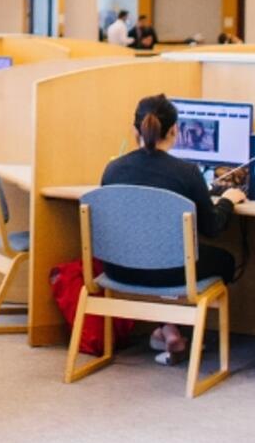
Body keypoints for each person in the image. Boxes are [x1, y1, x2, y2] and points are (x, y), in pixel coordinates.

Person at [101, 94, 245, 364]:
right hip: (169, 273)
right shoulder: (187, 173)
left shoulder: (112, 169)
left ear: (134, 131)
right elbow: (212, 227)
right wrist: (227, 201)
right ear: (175, 131)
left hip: (117, 270)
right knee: (224, 260)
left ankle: (167, 328)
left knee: (153, 255)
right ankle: (178, 328)